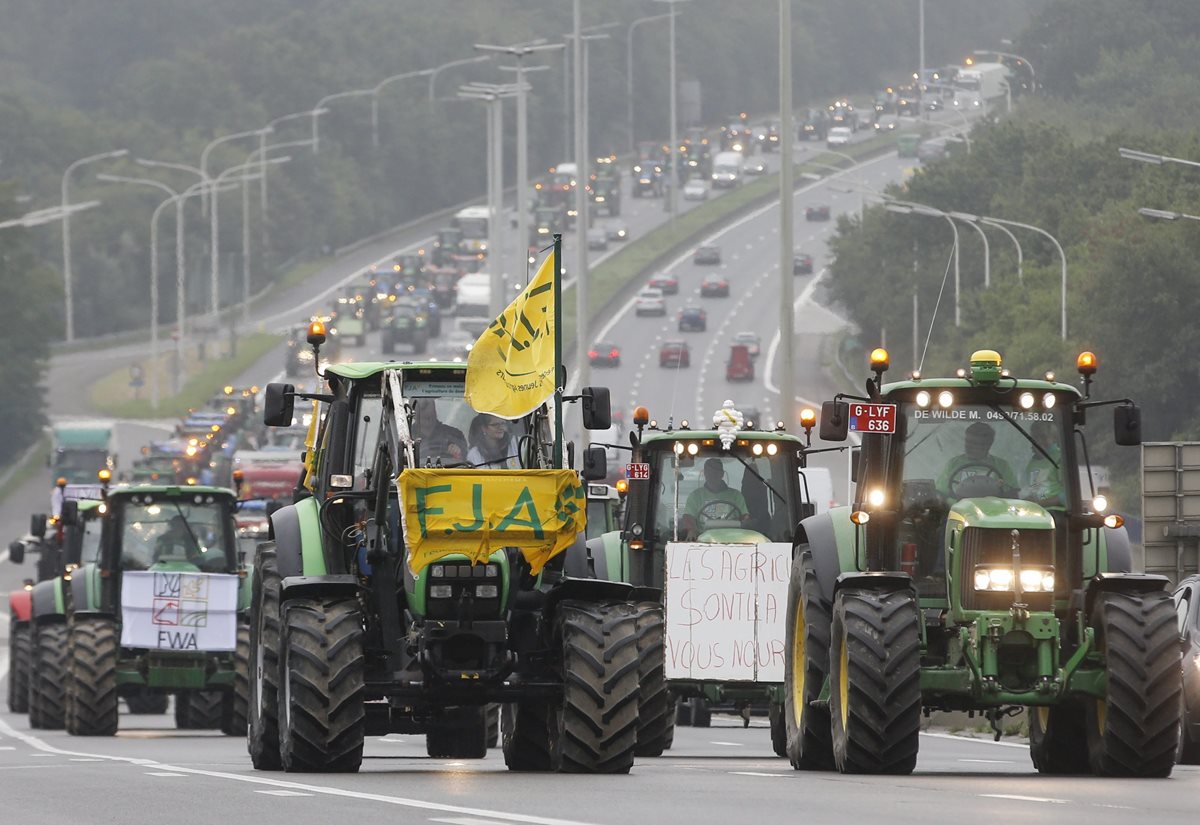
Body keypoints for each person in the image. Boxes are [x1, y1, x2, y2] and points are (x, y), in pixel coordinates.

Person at [936, 421, 1018, 499]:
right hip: (955, 510)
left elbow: (1013, 494)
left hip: (991, 511)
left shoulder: (1002, 466)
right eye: (968, 442)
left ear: (988, 445)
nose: (969, 447)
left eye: (975, 443)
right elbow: (940, 493)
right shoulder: (953, 464)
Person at [680, 458, 750, 540]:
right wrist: (691, 530)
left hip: (733, 539)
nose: (713, 475)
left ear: (722, 474)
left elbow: (745, 518)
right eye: (709, 472)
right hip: (703, 540)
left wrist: (745, 526)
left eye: (716, 472)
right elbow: (688, 517)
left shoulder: (736, 495)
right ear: (705, 473)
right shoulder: (695, 496)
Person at [1022, 420, 1064, 507]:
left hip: (1056, 511)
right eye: (1035, 437)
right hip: (1036, 512)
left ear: (1054, 438)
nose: (1039, 441)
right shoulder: (1032, 463)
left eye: (1043, 436)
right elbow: (1032, 489)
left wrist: (1041, 503)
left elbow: (1067, 495)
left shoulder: (1060, 459)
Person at [412, 399, 467, 466]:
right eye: (423, 408)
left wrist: (458, 453)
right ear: (413, 414)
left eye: (430, 408)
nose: (428, 412)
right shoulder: (405, 436)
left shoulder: (455, 435)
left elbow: (467, 463)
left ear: (435, 410)